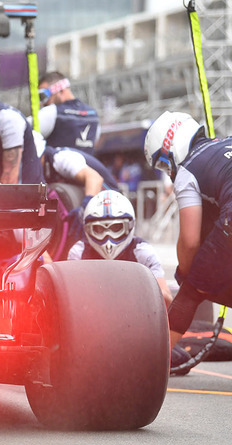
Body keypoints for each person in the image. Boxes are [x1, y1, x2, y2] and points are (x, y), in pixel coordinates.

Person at [143, 110, 232, 375]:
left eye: (162, 163)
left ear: (170, 146)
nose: (167, 171)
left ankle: (148, 368)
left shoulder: (189, 169)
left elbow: (191, 242)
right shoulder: (224, 143)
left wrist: (189, 276)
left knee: (191, 289)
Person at [67, 190, 173, 308]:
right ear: (87, 229)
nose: (108, 239)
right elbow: (71, 299)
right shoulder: (78, 252)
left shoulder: (142, 252)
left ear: (129, 226)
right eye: (99, 229)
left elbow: (166, 300)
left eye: (116, 227)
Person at [36, 71, 100, 155]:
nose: (42, 103)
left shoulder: (51, 112)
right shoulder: (93, 115)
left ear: (60, 90)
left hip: (58, 167)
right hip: (86, 167)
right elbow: (95, 142)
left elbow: (22, 130)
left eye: (43, 96)